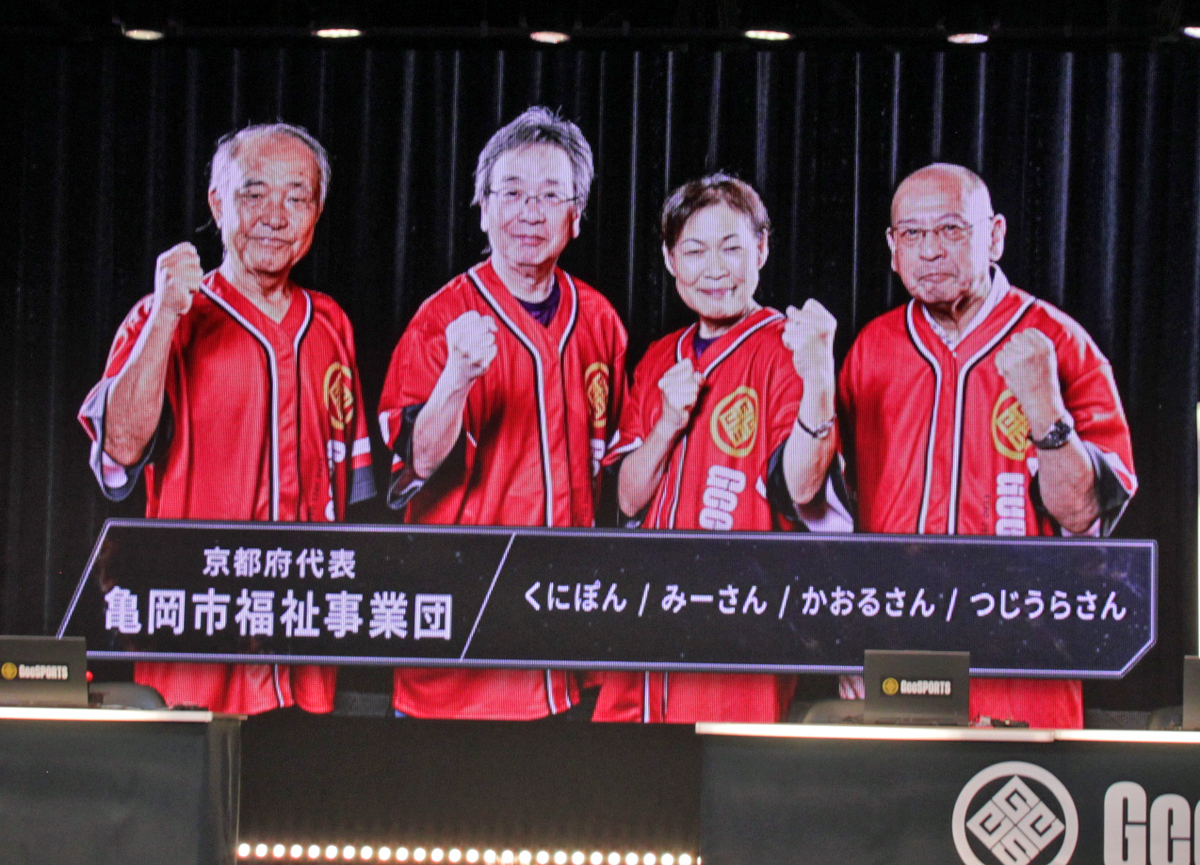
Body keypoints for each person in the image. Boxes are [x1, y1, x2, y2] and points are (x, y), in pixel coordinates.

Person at [79, 123, 374, 714]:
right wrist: (165, 314)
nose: (276, 216)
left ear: (317, 212)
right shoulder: (163, 318)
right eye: (254, 193)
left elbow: (352, 494)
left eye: (297, 198)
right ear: (217, 204)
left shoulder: (331, 324)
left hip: (304, 641)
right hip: (199, 633)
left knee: (301, 772)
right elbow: (120, 451)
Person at [837, 163, 1137, 728]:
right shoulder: (871, 349)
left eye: (951, 229)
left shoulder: (1061, 342)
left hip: (1026, 651)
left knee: (1016, 778)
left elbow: (1085, 517)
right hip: (899, 649)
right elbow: (831, 520)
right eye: (912, 234)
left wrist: (1046, 411)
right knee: (896, 783)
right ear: (892, 249)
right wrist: (844, 635)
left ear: (995, 235)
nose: (930, 250)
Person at [377, 107, 628, 719]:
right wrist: (458, 376)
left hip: (563, 632)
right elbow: (415, 464)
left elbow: (621, 481)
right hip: (464, 629)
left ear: (576, 215)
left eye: (550, 195)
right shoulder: (441, 318)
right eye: (511, 193)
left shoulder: (599, 320)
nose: (530, 213)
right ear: (483, 208)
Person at [591, 174, 842, 723]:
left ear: (762, 248)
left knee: (723, 765)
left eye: (731, 248)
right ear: (669, 259)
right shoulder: (660, 356)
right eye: (694, 251)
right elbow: (627, 500)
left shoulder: (786, 347)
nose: (714, 269)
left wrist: (818, 376)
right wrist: (668, 423)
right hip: (649, 614)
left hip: (740, 618)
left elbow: (801, 487)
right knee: (626, 768)